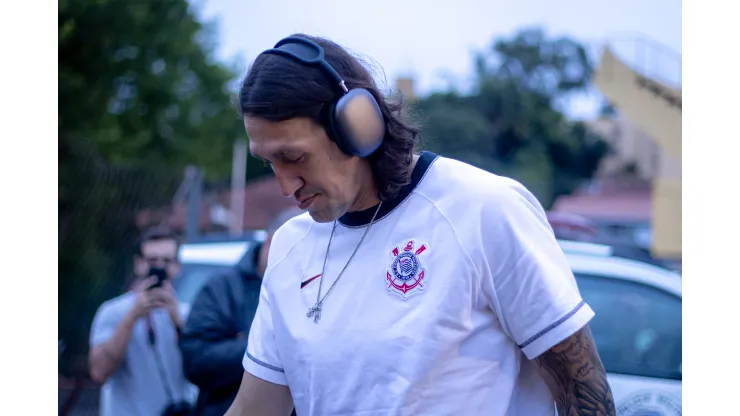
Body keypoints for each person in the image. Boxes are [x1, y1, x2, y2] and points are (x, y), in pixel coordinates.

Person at [226, 34, 617, 416]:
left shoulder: (483, 209)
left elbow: (582, 387)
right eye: (269, 162)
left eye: (293, 157)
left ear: (356, 126)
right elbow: (254, 408)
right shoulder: (288, 247)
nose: (283, 185)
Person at [180, 208, 303, 416]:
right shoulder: (222, 288)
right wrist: (261, 344)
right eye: (298, 250)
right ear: (272, 241)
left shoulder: (312, 289)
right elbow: (196, 360)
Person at [89, 227, 193, 416]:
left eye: (166, 261)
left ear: (177, 266)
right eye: (152, 260)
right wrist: (132, 316)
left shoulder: (188, 315)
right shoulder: (112, 312)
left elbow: (203, 368)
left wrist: (177, 322)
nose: (159, 267)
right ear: (139, 264)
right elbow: (99, 372)